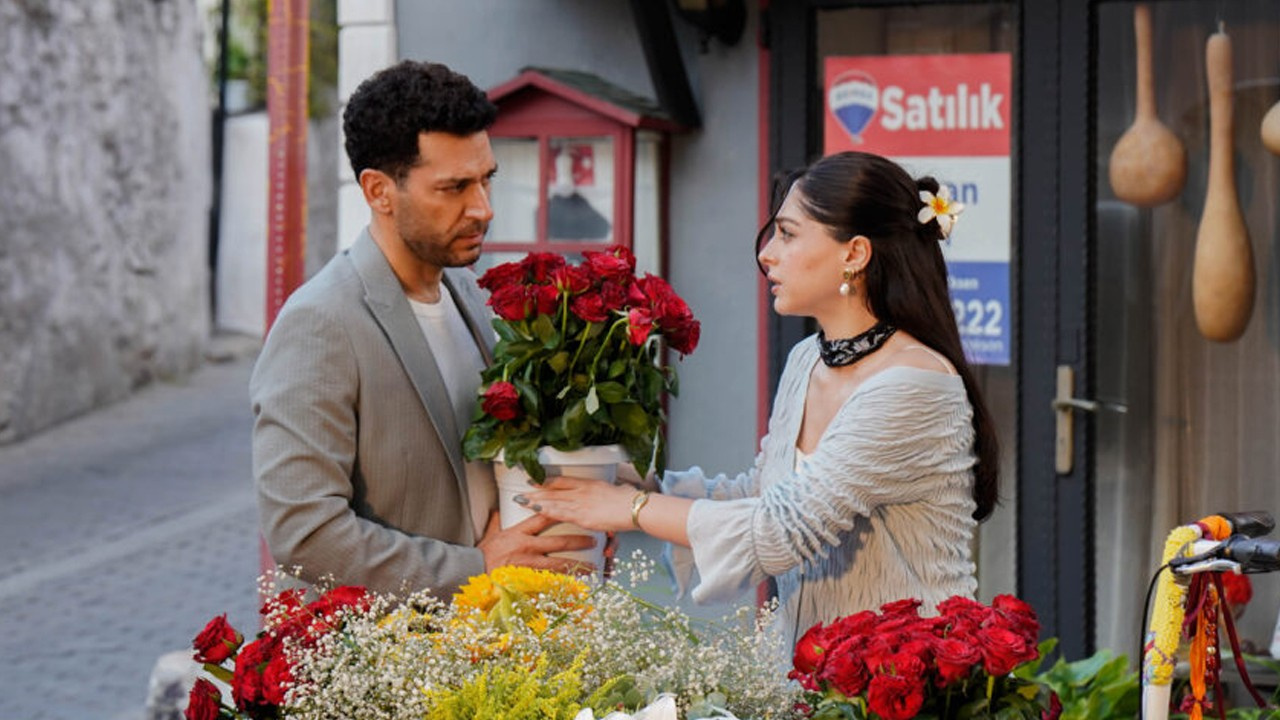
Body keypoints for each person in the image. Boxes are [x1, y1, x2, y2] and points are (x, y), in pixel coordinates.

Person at [521, 151, 1000, 645]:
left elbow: (782, 529)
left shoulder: (914, 383)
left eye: (787, 234)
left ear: (855, 253)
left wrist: (632, 507)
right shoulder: (808, 359)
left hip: (908, 672)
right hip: (810, 669)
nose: (767, 254)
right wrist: (641, 484)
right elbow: (767, 493)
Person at [251, 60, 594, 598]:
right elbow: (305, 533)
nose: (483, 209)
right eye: (454, 187)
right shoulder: (321, 322)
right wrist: (475, 568)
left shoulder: (470, 293)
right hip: (391, 645)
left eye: (486, 179)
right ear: (378, 191)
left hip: (494, 635)